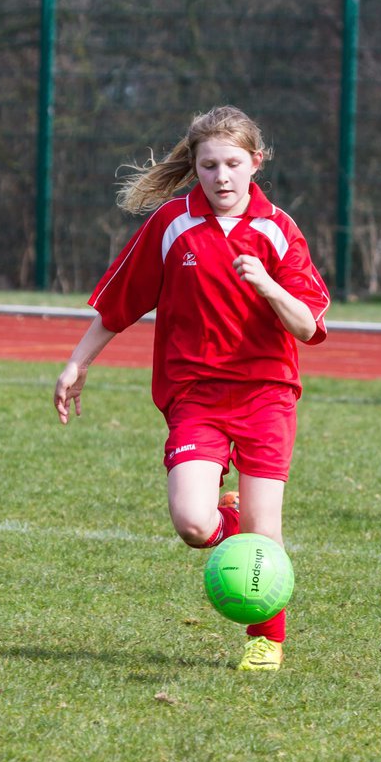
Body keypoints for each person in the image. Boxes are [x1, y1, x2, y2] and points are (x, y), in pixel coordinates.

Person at [53, 105, 331, 669]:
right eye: (209, 165)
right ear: (195, 166)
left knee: (265, 529)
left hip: (265, 394)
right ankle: (227, 522)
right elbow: (120, 302)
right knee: (194, 524)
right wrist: (77, 363)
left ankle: (265, 641)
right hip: (195, 396)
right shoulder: (171, 224)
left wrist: (265, 286)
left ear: (256, 162)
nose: (221, 177)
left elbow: (308, 326)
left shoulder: (279, 231)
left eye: (232, 163)